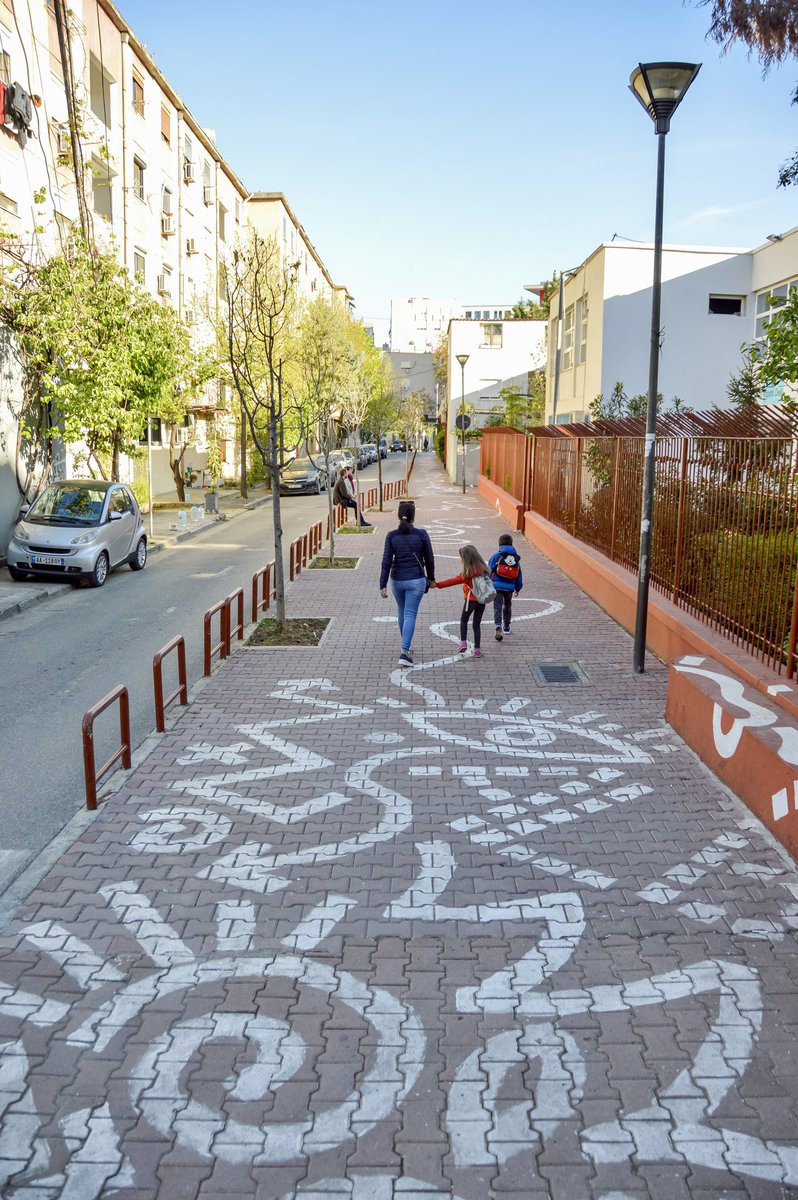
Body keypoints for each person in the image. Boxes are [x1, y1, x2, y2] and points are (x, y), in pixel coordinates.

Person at [379, 499, 435, 667]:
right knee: (410, 614)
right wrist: (431, 578)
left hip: (396, 581)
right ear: (413, 515)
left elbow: (386, 561)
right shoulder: (421, 534)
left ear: (399, 515)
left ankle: (407, 647)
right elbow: (429, 559)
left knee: (402, 611)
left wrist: (382, 584)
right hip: (416, 580)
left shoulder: (392, 536)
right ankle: (404, 651)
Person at [434, 543, 491, 658]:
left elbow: (452, 581)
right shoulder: (485, 570)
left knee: (464, 620)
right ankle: (477, 650)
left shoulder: (467, 574)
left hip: (470, 601)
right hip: (482, 601)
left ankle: (463, 642)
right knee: (476, 624)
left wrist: (437, 585)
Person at [489, 533, 523, 640]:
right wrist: (518, 588)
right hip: (509, 587)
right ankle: (507, 627)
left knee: (497, 606)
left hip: (497, 586)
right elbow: (519, 574)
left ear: (500, 544)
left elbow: (489, 570)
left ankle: (498, 625)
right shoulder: (516, 558)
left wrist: (489, 584)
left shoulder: (496, 556)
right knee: (507, 605)